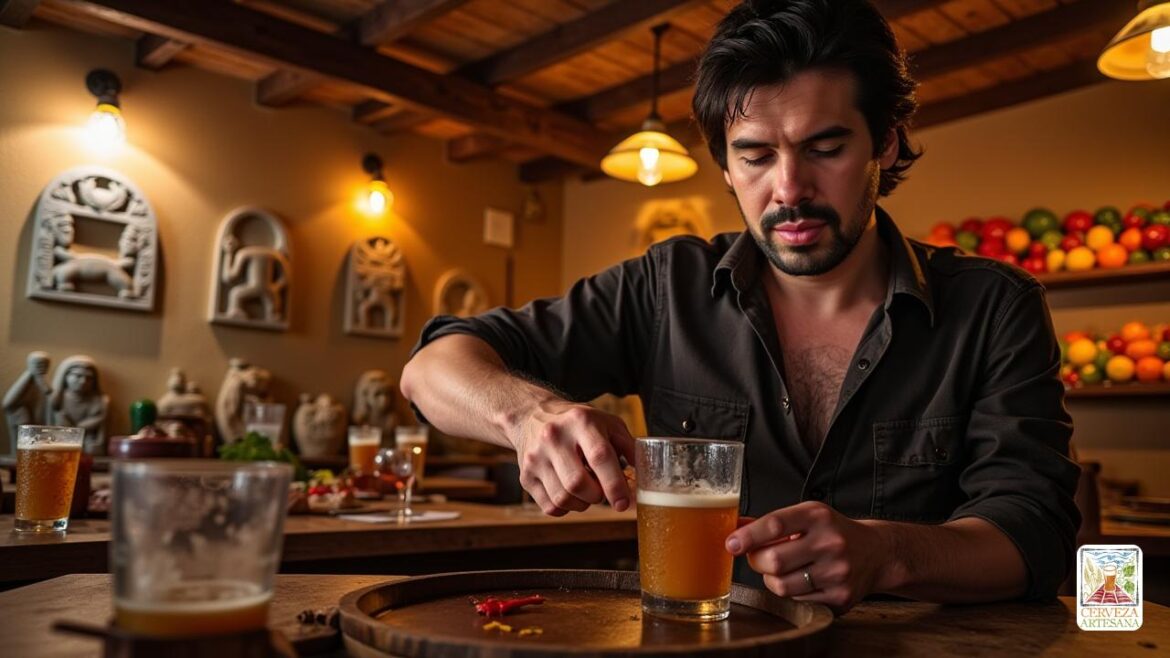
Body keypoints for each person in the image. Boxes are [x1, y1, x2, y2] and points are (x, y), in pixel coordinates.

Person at [401, 0, 1079, 613]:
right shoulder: (667, 287)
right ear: (725, 167)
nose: (789, 188)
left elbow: (1034, 533)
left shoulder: (995, 306)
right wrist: (527, 415)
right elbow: (431, 368)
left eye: (826, 147)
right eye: (755, 156)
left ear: (887, 141)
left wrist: (887, 554)